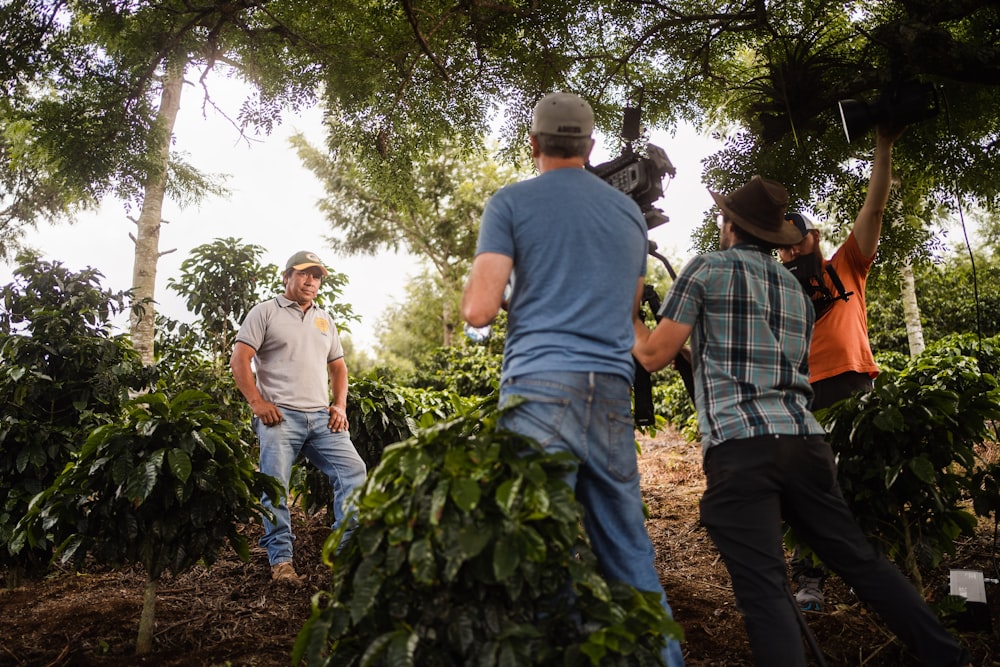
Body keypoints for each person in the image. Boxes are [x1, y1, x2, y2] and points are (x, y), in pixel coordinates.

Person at [631, 175, 971, 667]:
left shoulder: (707, 268)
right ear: (772, 237)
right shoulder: (793, 291)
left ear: (728, 225)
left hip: (741, 446)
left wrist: (628, 309)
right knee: (860, 561)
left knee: (766, 591)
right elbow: (762, 364)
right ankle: (946, 656)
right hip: (804, 441)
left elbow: (650, 355)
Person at [460, 91, 684, 667]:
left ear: (533, 143)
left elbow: (479, 311)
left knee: (537, 545)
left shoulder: (510, 203)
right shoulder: (628, 214)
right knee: (629, 550)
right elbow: (628, 308)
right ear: (590, 147)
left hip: (538, 387)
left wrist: (516, 291)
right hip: (609, 389)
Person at [779, 125, 903, 610]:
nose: (790, 251)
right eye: (782, 246)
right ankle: (810, 580)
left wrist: (884, 145)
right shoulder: (779, 286)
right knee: (811, 488)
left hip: (853, 384)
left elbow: (874, 208)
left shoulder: (846, 265)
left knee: (863, 480)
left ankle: (872, 574)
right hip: (804, 396)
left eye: (796, 240)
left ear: (814, 236)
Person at [231, 250, 367, 585]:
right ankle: (281, 562)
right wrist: (256, 402)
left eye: (317, 276)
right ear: (287, 277)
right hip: (280, 418)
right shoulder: (265, 312)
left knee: (354, 471)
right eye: (304, 274)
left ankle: (345, 552)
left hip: (322, 418)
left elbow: (338, 367)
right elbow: (240, 359)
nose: (311, 281)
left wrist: (340, 406)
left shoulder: (325, 319)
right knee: (275, 487)